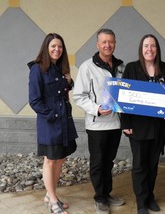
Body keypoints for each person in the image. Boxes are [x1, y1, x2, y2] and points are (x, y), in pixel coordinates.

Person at [73, 29, 125, 214]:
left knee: (109, 161)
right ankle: (99, 198)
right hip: (97, 124)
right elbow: (79, 96)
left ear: (115, 43)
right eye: (104, 42)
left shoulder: (121, 66)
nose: (107, 45)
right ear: (97, 44)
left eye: (111, 42)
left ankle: (107, 193)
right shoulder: (87, 67)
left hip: (115, 124)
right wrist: (96, 109)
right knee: (97, 162)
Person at [121, 34, 165, 214]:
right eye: (146, 46)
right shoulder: (132, 68)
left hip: (159, 128)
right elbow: (122, 96)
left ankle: (150, 197)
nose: (149, 49)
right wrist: (125, 123)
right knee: (140, 165)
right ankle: (141, 201)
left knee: (153, 164)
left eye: (152, 46)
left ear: (157, 49)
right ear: (141, 49)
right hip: (138, 126)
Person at [28, 33, 78, 214]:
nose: (57, 49)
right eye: (53, 46)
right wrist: (52, 115)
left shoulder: (61, 69)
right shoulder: (37, 69)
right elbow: (34, 101)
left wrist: (69, 82)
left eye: (60, 46)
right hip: (50, 122)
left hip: (64, 120)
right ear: (46, 48)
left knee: (60, 159)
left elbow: (62, 92)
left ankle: (50, 195)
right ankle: (53, 201)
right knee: (50, 161)